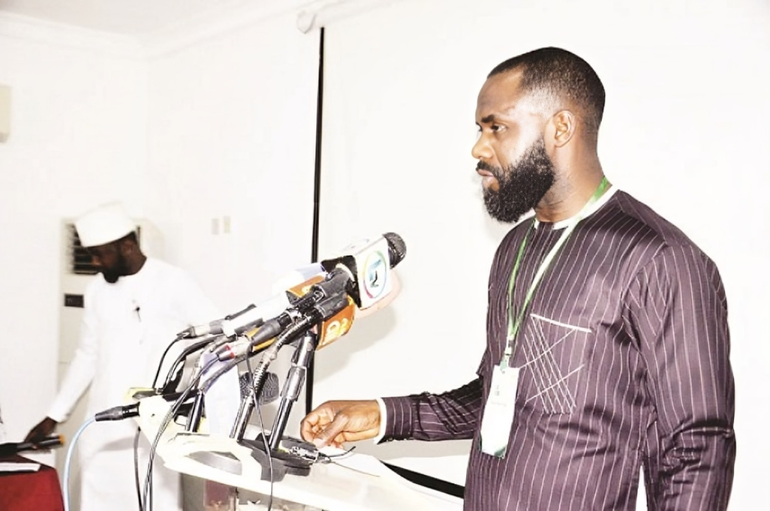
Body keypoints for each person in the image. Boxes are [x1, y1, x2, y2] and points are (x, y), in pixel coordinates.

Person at [300, 47, 736, 510]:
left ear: (560, 128)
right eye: (479, 129)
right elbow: (502, 395)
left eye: (497, 127)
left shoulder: (660, 259)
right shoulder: (515, 247)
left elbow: (696, 447)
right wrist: (384, 415)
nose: (478, 148)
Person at [25, 202, 220, 511]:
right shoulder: (96, 290)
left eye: (99, 254)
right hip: (103, 425)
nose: (95, 262)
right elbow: (87, 355)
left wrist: (186, 389)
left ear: (127, 246)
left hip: (151, 425)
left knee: (154, 500)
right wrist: (54, 415)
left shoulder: (173, 282)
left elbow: (218, 335)